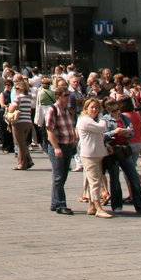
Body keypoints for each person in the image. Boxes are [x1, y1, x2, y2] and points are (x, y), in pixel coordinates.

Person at [75, 97, 112, 218]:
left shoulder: (91, 120)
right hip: (90, 155)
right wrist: (101, 117)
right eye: (92, 107)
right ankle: (98, 208)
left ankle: (91, 206)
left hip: (96, 153)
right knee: (95, 182)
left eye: (97, 107)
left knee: (96, 180)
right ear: (86, 109)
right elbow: (102, 127)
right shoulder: (85, 120)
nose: (95, 110)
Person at [46, 81, 79, 215]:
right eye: (65, 95)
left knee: (62, 176)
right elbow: (50, 131)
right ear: (58, 96)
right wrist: (56, 147)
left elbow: (71, 127)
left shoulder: (67, 110)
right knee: (59, 176)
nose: (68, 98)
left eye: (69, 95)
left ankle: (55, 203)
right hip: (58, 146)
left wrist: (74, 140)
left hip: (68, 146)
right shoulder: (53, 109)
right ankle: (61, 204)